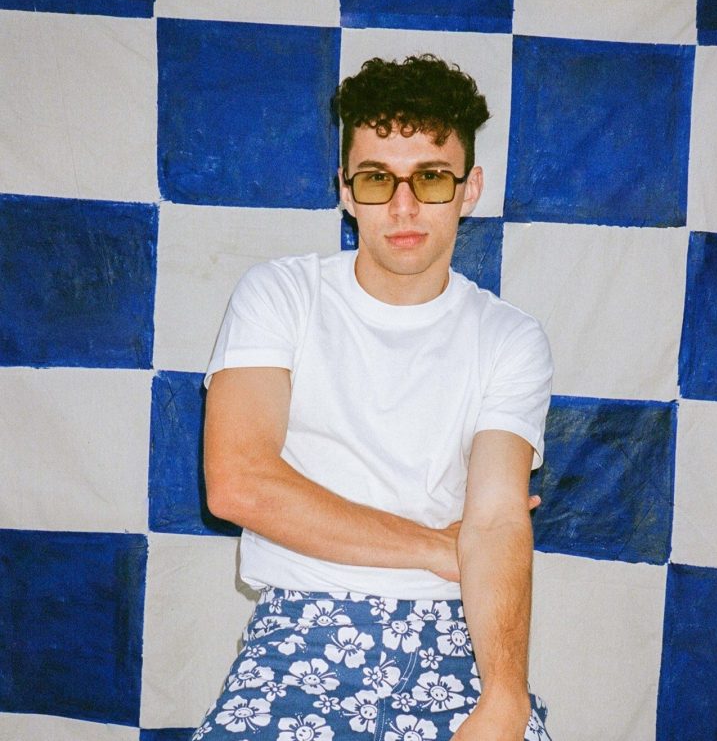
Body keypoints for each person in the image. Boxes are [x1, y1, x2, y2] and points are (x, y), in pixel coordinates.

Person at [193, 55, 553, 741]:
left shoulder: (510, 338)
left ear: (470, 189)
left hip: (457, 632)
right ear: (346, 190)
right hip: (298, 627)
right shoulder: (281, 295)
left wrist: (506, 700)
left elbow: (498, 522)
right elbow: (238, 484)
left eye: (432, 177)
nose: (404, 207)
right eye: (378, 178)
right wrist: (439, 547)